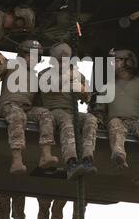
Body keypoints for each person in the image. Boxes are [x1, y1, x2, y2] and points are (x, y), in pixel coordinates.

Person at [0, 40, 58, 174]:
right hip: (8, 105)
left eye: (36, 57)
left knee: (46, 114)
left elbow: (39, 100)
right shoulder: (11, 65)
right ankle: (17, 160)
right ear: (22, 55)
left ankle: (46, 155)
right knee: (17, 116)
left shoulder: (36, 76)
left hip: (27, 108)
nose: (33, 59)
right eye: (30, 55)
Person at [95, 49, 139, 185]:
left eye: (116, 61)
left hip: (138, 121)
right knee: (114, 125)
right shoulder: (106, 86)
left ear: (128, 62)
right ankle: (119, 156)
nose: (112, 64)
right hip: (117, 120)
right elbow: (100, 110)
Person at [40, 42, 98, 180]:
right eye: (60, 61)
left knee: (91, 119)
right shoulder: (45, 74)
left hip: (73, 111)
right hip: (54, 111)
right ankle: (71, 163)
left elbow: (88, 97)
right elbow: (47, 87)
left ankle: (87, 159)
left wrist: (82, 90)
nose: (63, 63)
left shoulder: (77, 75)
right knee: (66, 121)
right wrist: (67, 78)